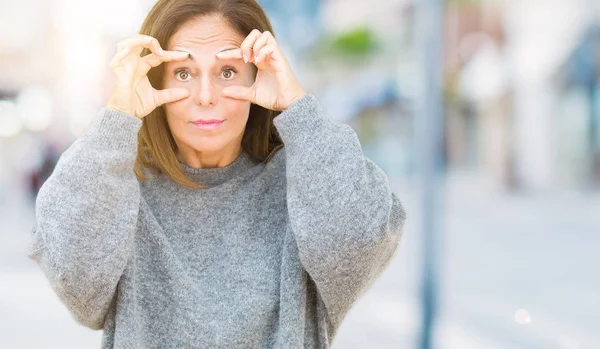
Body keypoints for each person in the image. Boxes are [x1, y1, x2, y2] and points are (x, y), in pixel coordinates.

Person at [27, 0, 407, 348]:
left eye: (227, 71)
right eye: (183, 73)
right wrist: (117, 116)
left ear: (257, 77)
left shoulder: (305, 183)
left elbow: (361, 246)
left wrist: (297, 107)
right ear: (155, 81)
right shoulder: (118, 187)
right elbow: (75, 284)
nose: (206, 95)